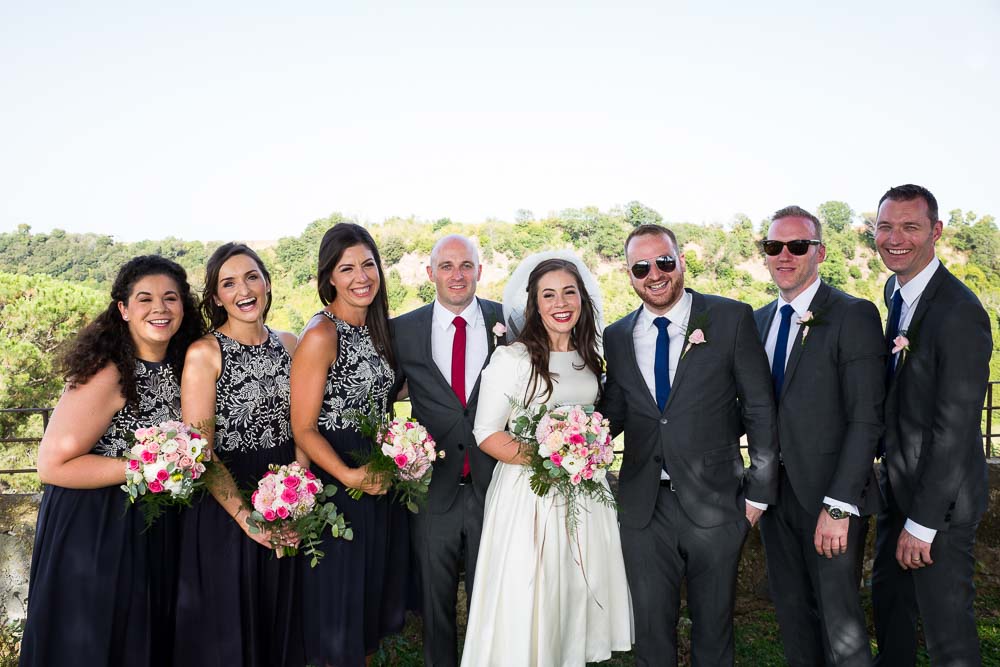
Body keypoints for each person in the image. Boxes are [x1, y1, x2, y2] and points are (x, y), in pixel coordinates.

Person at [601, 223, 778, 666]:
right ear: (629, 274)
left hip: (717, 503)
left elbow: (758, 407)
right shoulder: (618, 336)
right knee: (650, 631)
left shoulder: (730, 317)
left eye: (664, 261)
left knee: (714, 626)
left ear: (681, 260)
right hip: (644, 508)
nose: (654, 274)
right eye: (641, 267)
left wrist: (759, 491)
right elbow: (617, 413)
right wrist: (565, 440)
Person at [19, 255, 203, 667]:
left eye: (170, 298)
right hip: (98, 528)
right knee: (97, 642)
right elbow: (51, 465)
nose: (160, 308)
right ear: (123, 309)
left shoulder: (181, 366)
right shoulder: (110, 373)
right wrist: (150, 466)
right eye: (145, 299)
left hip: (152, 525)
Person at [461, 255, 633, 667]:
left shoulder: (588, 355)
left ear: (582, 299)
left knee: (574, 592)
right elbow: (486, 433)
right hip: (530, 496)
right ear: (534, 305)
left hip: (584, 496)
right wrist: (550, 459)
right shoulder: (513, 360)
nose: (561, 302)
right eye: (549, 294)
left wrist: (585, 454)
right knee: (533, 590)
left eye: (569, 292)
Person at [753, 206, 884, 666]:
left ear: (820, 252)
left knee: (840, 626)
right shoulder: (758, 320)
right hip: (774, 498)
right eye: (774, 246)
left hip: (831, 498)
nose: (784, 255)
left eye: (797, 245)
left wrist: (839, 505)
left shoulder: (853, 314)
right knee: (792, 617)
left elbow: (866, 419)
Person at [871, 185, 991, 666]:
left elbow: (955, 429)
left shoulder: (960, 313)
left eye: (910, 226)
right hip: (897, 489)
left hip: (940, 505)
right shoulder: (894, 292)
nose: (894, 238)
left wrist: (921, 526)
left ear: (936, 232)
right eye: (885, 226)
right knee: (891, 610)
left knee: (948, 635)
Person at [173, 243, 304, 666]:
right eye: (228, 283)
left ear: (266, 282)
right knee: (231, 637)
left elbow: (305, 426)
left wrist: (296, 496)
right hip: (227, 508)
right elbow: (202, 452)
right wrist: (247, 519)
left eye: (251, 277)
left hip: (286, 500)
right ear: (216, 297)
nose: (243, 290)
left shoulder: (290, 343)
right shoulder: (204, 353)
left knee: (281, 628)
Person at [290, 222, 411, 667]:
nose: (361, 276)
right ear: (330, 279)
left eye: (368, 264)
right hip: (339, 486)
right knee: (336, 616)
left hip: (378, 481)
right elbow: (302, 426)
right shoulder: (323, 334)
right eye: (347, 268)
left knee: (366, 614)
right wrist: (347, 475)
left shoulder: (379, 330)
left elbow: (384, 392)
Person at [390, 235, 503, 667]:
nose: (457, 275)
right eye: (447, 266)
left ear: (479, 270)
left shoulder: (506, 321)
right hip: (432, 491)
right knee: (435, 606)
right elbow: (383, 398)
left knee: (490, 601)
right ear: (430, 273)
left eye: (466, 265)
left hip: (492, 488)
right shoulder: (404, 329)